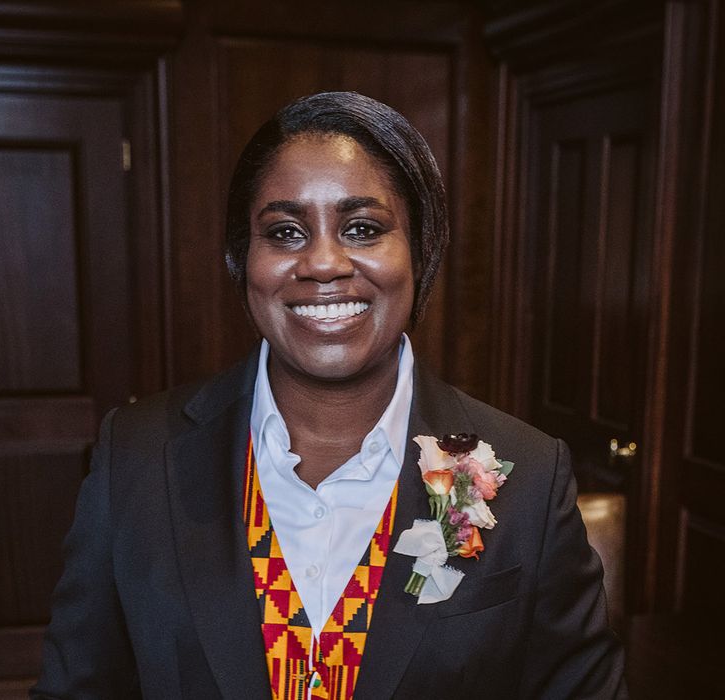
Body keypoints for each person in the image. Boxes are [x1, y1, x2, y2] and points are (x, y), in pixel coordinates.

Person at [32, 92, 626, 699]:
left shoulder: (528, 475)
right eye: (285, 231)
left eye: (362, 228)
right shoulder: (135, 456)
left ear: (420, 253)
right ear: (243, 260)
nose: (322, 262)